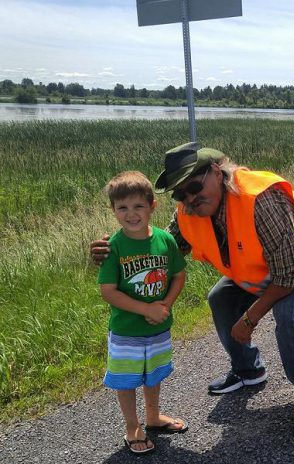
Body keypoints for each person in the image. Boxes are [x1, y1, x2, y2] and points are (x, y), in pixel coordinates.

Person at [91, 143, 294, 439]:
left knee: (287, 314)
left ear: (216, 171)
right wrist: (114, 253)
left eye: (195, 186)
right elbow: (164, 252)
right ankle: (249, 370)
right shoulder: (187, 212)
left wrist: (250, 318)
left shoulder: (261, 200)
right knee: (219, 298)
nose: (191, 198)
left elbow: (287, 277)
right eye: (181, 194)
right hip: (258, 270)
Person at [98, 171, 188, 454]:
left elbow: (179, 274)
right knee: (126, 380)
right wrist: (145, 308)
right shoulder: (113, 247)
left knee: (154, 374)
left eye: (138, 206)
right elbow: (108, 291)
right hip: (127, 331)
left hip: (158, 326)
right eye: (122, 208)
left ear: (152, 206)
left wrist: (165, 305)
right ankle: (131, 426)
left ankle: (152, 417)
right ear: (114, 211)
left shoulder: (165, 240)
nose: (131, 214)